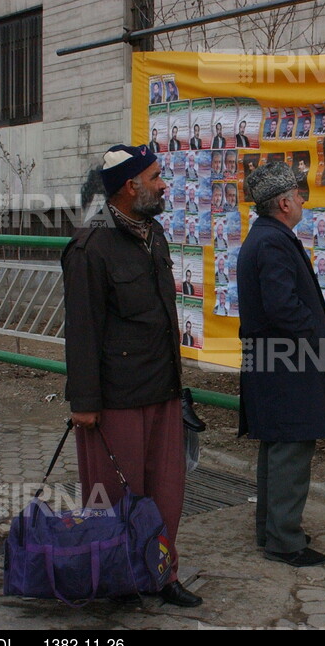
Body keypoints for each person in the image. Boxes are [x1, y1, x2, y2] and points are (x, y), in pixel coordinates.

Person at [62, 144, 201, 607]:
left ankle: (161, 576)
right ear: (130, 186)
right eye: (157, 176)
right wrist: (84, 402)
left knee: (165, 495)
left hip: (161, 390)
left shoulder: (154, 234)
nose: (164, 184)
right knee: (115, 498)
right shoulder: (90, 246)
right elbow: (81, 331)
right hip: (114, 400)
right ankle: (116, 580)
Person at [237, 161, 325, 567]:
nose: (302, 200)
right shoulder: (273, 242)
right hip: (287, 363)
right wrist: (314, 336)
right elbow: (283, 305)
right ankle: (284, 541)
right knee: (291, 449)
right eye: (299, 195)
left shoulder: (265, 236)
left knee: (278, 446)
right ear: (283, 203)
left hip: (273, 361)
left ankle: (272, 529)